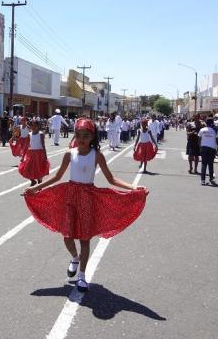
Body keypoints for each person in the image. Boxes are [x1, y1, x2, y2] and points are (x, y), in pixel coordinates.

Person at [24, 119, 148, 292]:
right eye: (79, 135)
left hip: (88, 198)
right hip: (70, 196)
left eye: (86, 136)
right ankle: (74, 258)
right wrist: (35, 188)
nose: (82, 139)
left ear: (92, 137)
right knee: (67, 236)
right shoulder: (69, 154)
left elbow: (111, 179)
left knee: (84, 238)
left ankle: (82, 276)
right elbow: (57, 176)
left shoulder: (96, 155)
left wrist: (134, 187)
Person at [18, 119, 49, 186]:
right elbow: (27, 145)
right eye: (32, 125)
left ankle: (39, 184)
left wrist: (45, 156)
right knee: (27, 168)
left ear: (38, 126)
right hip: (31, 153)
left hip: (39, 154)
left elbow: (43, 146)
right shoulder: (29, 134)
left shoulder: (40, 134)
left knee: (38, 169)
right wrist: (23, 156)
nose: (33, 127)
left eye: (35, 125)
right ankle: (33, 181)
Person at [198, 118, 218, 186]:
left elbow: (199, 139)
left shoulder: (202, 130)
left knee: (204, 164)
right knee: (210, 164)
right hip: (212, 148)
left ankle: (203, 180)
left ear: (206, 123)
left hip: (204, 147)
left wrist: (200, 146)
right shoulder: (214, 130)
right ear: (212, 123)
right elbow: (216, 139)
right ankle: (211, 178)